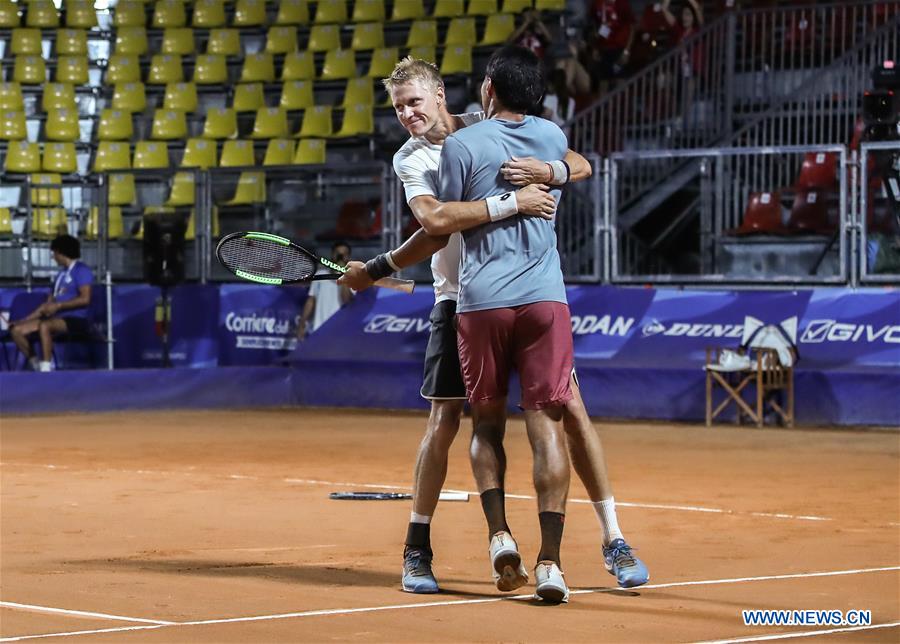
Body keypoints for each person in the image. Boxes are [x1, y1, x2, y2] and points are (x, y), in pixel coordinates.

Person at [340, 53, 649, 601]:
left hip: (511, 297)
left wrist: (546, 172)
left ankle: (614, 539)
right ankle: (418, 547)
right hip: (456, 299)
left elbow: (575, 162)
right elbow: (435, 223)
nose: (408, 114)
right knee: (445, 419)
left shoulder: (485, 126)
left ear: (441, 96)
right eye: (398, 107)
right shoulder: (411, 159)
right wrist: (384, 266)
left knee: (570, 412)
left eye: (415, 101)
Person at [9, 234, 93, 372]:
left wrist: (59, 306)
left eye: (54, 253)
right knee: (16, 330)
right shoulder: (60, 275)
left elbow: (85, 299)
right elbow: (47, 305)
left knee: (44, 326)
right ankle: (36, 364)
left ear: (61, 252)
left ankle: (46, 368)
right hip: (55, 318)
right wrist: (23, 320)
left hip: (75, 319)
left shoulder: (82, 270)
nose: (52, 257)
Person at [297, 241, 353, 339]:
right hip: (318, 329)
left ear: (348, 257)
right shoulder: (320, 274)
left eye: (344, 254)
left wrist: (343, 274)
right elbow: (311, 300)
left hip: (339, 332)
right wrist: (302, 323)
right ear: (332, 255)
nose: (340, 256)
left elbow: (346, 300)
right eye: (338, 253)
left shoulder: (352, 279)